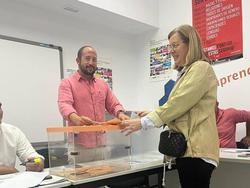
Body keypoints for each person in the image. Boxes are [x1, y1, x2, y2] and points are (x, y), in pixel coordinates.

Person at [121, 25, 219, 188]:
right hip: (190, 151)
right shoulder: (186, 72)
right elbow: (185, 108)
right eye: (170, 46)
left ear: (190, 44)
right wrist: (153, 113)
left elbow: (178, 103)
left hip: (196, 151)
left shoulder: (201, 68)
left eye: (175, 45)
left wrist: (145, 122)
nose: (171, 51)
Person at [58, 45, 129, 162]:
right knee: (83, 180)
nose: (91, 62)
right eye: (87, 58)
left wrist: (120, 114)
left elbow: (114, 104)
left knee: (103, 179)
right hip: (80, 147)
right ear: (78, 60)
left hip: (101, 144)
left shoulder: (103, 84)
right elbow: (64, 104)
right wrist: (76, 118)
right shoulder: (67, 83)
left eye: (94, 59)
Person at [0, 102, 44, 175]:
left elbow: (33, 156)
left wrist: (37, 163)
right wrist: (11, 170)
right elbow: (11, 171)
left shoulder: (13, 131)